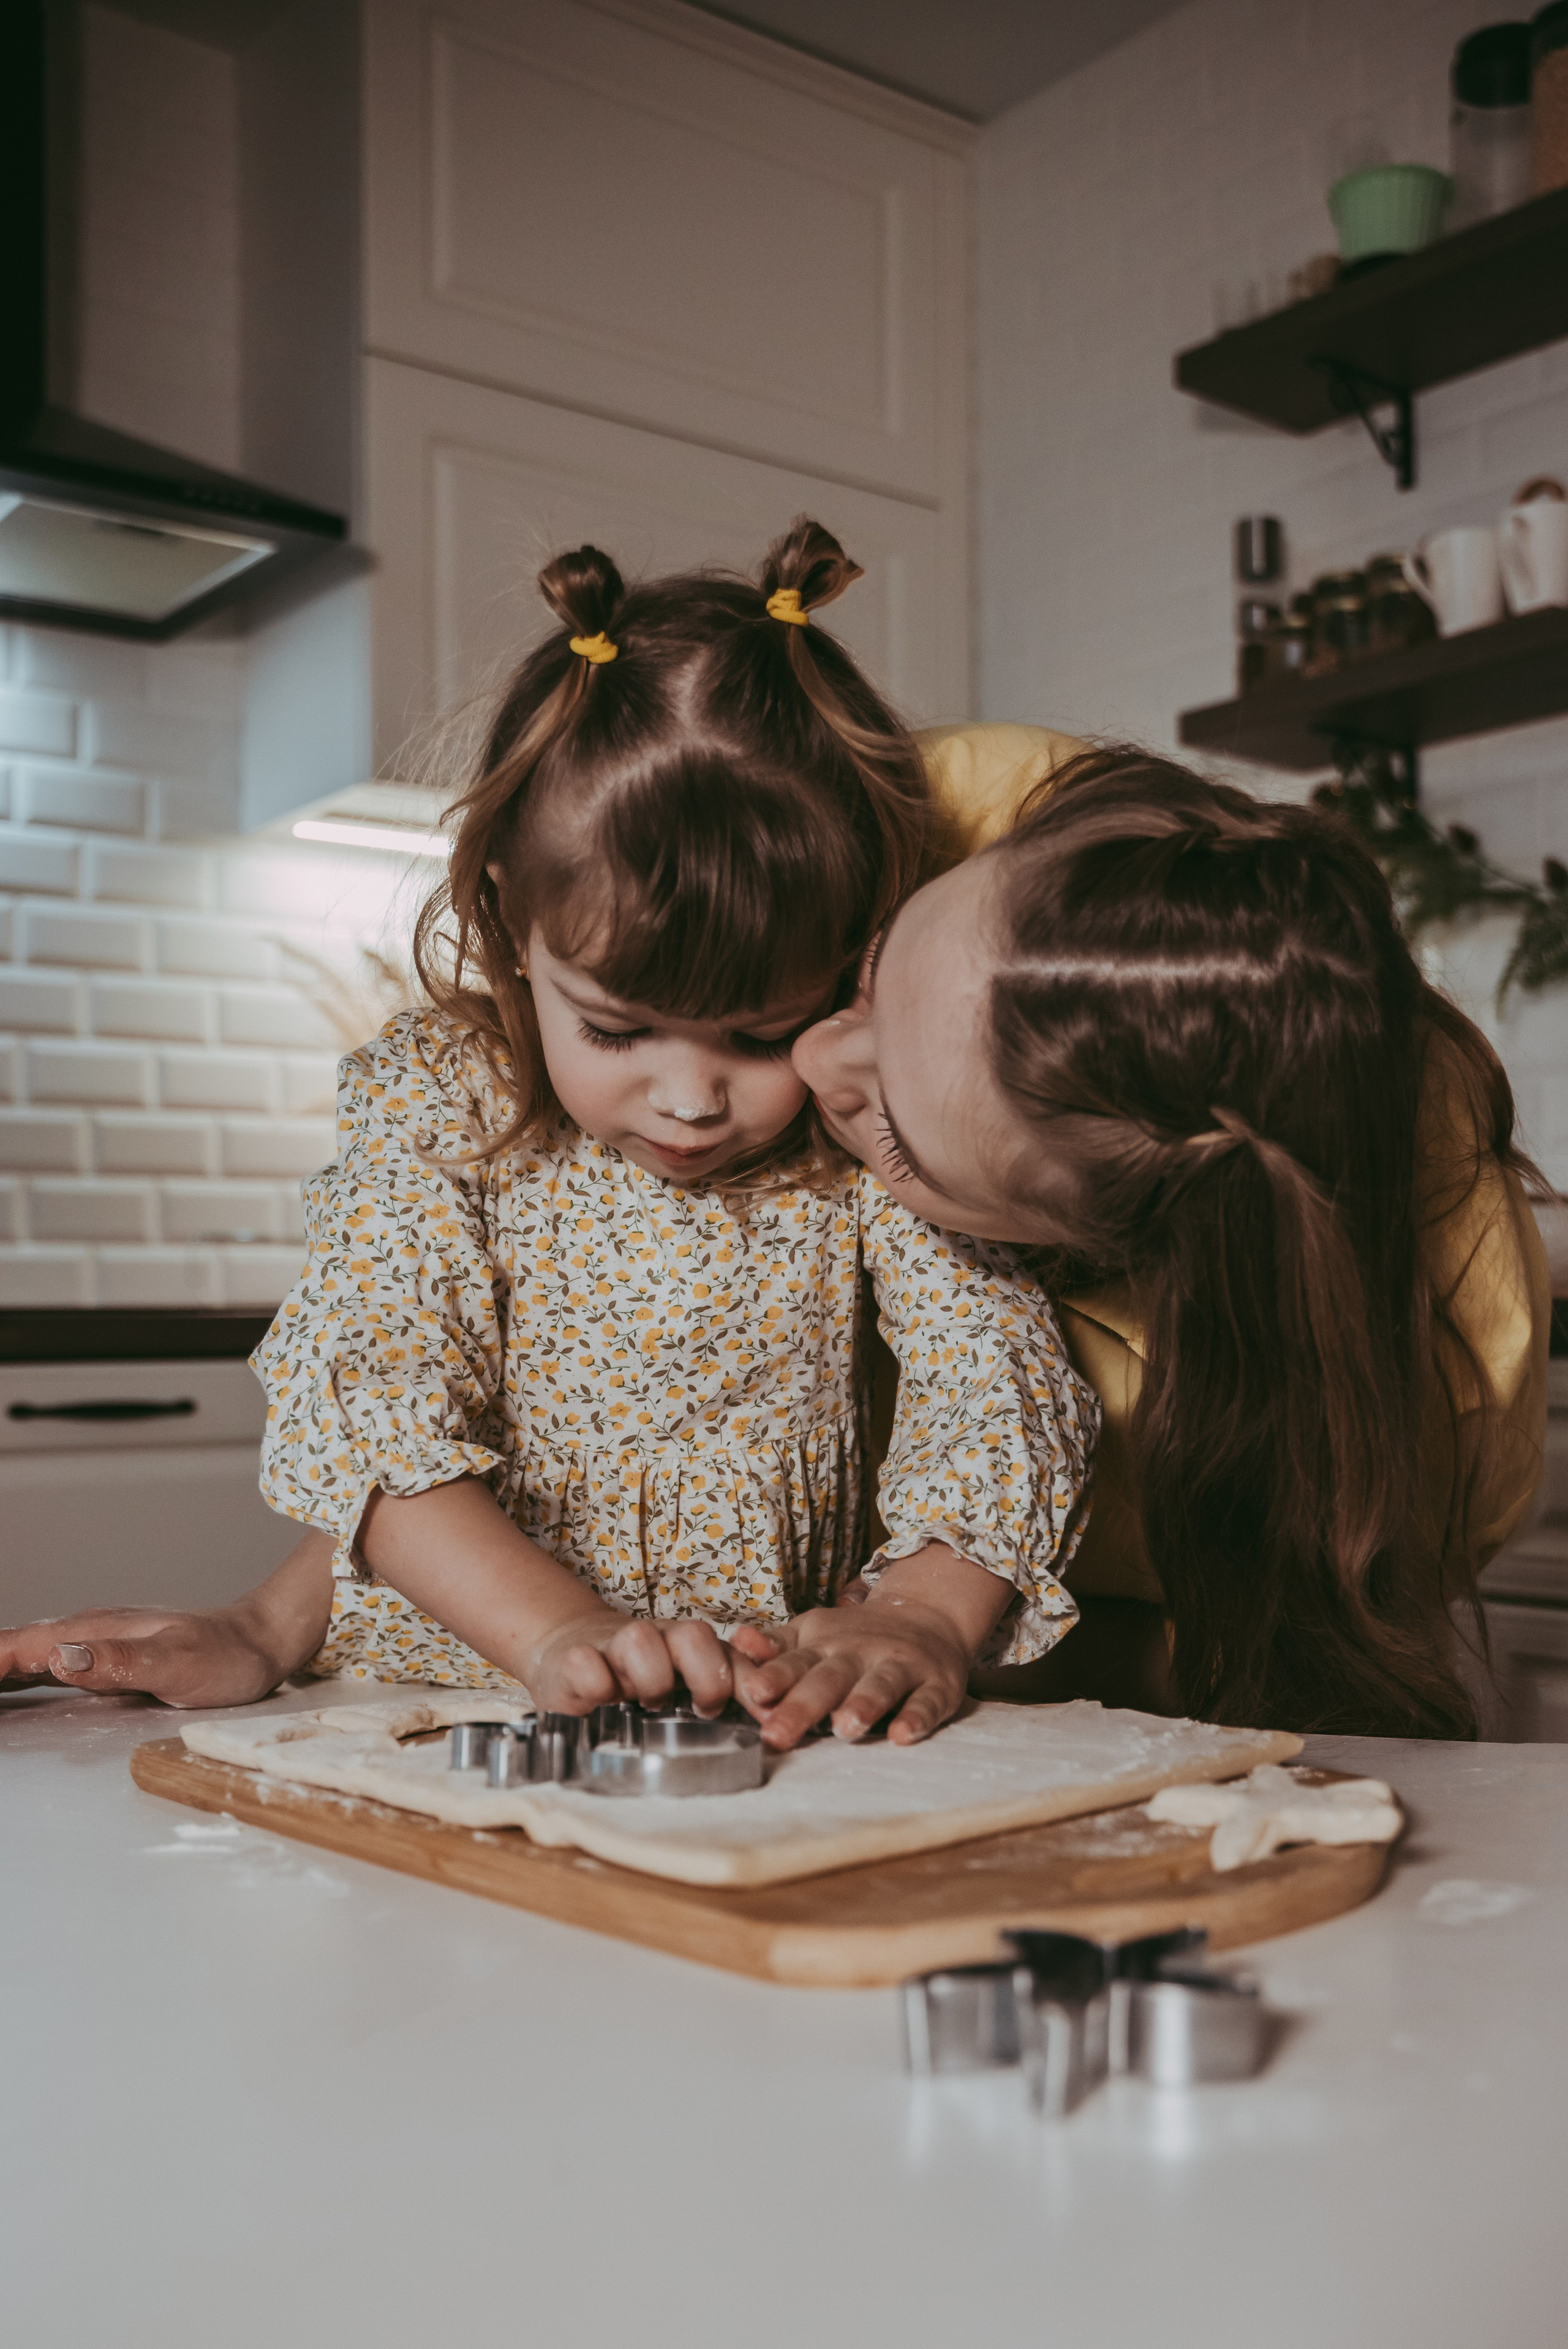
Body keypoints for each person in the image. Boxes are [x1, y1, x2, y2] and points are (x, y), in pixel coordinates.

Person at [0, 527, 1096, 1749]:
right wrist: (527, 1634)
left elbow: (988, 1376)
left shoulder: (854, 1131)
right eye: (619, 1028)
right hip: (419, 1708)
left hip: (744, 1722)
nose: (689, 1099)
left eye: (758, 1032)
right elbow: (380, 1413)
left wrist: (927, 1616)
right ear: (512, 927)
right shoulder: (443, 1100)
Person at [794, 733, 1553, 1736]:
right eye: (872, 967)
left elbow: (1249, 1669)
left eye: (897, 1137)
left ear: (1112, 1252)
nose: (810, 1056)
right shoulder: (928, 804)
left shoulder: (1439, 1413)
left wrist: (927, 1631)